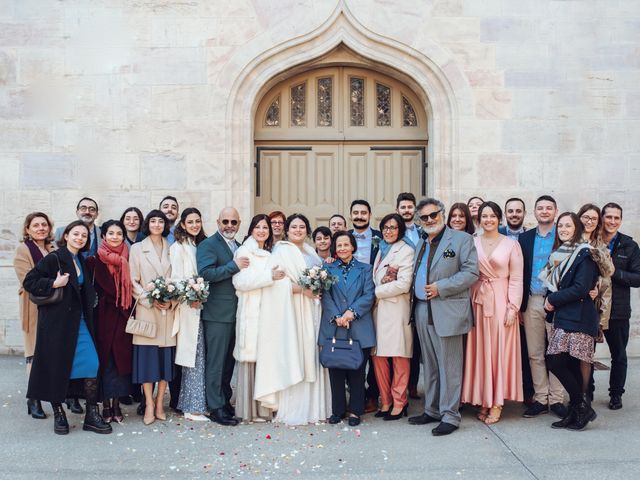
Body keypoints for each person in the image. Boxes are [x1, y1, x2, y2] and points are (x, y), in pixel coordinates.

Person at [24, 221, 112, 435]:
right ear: (66, 236)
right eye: (76, 234)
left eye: (83, 235)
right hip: (57, 325)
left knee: (92, 363)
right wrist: (53, 284)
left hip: (80, 322)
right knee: (57, 367)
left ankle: (91, 416)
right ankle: (59, 415)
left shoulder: (81, 259)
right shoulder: (54, 258)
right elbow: (29, 281)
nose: (80, 238)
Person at [408, 198, 478, 436]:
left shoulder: (461, 239)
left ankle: (451, 415)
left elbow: (471, 273)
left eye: (433, 215)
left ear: (442, 213)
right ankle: (432, 409)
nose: (429, 220)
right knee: (430, 364)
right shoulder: (421, 242)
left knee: (449, 366)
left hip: (448, 309)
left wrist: (442, 287)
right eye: (424, 217)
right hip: (422, 310)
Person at [461, 202, 524, 425]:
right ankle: (484, 399)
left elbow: (516, 279)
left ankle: (497, 402)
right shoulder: (472, 242)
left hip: (500, 302)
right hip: (477, 301)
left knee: (498, 351)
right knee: (480, 351)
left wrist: (512, 308)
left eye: (493, 216)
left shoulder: (511, 245)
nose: (488, 220)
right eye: (484, 216)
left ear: (499, 219)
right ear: (479, 219)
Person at [266, 214, 332, 425]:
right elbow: (276, 282)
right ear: (286, 229)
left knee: (313, 350)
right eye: (294, 226)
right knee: (298, 350)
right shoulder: (281, 250)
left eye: (302, 226)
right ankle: (296, 407)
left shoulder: (312, 251)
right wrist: (304, 291)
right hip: (294, 308)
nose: (298, 230)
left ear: (307, 230)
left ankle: (315, 407)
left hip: (314, 309)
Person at [542, 213, 600, 430]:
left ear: (576, 228)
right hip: (564, 316)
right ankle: (577, 410)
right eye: (561, 226)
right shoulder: (559, 254)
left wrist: (552, 300)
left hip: (579, 317)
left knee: (558, 361)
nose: (563, 229)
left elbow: (581, 287)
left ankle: (582, 408)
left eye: (568, 225)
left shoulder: (584, 254)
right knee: (560, 362)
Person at [197, 207, 248, 426]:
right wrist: (233, 266)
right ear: (218, 222)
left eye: (233, 222)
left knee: (228, 363)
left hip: (236, 312)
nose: (229, 225)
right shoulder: (208, 245)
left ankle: (224, 401)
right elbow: (206, 273)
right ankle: (215, 406)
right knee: (216, 363)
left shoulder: (238, 246)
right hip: (217, 314)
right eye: (225, 221)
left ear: (239, 223)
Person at [232, 214, 285, 422]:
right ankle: (250, 410)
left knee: (266, 359)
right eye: (258, 227)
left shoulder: (270, 251)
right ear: (251, 229)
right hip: (251, 311)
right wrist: (268, 277)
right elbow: (240, 281)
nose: (262, 230)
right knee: (251, 359)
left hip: (268, 311)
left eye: (265, 227)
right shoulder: (245, 251)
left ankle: (265, 408)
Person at [320, 230, 376, 427]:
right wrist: (336, 316)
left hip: (358, 325)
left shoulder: (365, 269)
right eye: (339, 245)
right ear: (335, 248)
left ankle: (355, 411)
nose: (342, 248)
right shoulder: (327, 269)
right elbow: (325, 296)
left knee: (357, 372)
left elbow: (369, 294)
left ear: (353, 246)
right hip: (335, 326)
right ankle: (338, 411)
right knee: (335, 370)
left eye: (346, 244)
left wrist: (352, 312)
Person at [518, 195, 567, 419]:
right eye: (540, 208)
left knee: (556, 352)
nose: (544, 211)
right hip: (531, 301)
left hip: (556, 302)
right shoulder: (525, 238)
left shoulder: (564, 236)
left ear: (555, 211)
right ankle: (540, 397)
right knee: (535, 353)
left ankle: (557, 399)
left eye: (549, 208)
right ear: (534, 212)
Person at [129, 210, 176, 426]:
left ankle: (159, 403)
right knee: (148, 362)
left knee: (165, 362)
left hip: (167, 310)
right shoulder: (138, 249)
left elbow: (178, 279)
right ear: (148, 224)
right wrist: (150, 298)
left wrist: (171, 299)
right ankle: (148, 402)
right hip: (148, 310)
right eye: (153, 221)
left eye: (161, 221)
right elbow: (132, 281)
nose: (157, 224)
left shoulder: (172, 247)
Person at [87, 220, 134, 424]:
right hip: (103, 319)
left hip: (123, 317)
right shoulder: (93, 261)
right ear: (103, 236)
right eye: (111, 233)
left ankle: (116, 405)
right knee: (105, 363)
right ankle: (106, 405)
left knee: (120, 362)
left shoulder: (129, 258)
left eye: (119, 233)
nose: (115, 237)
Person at [371, 214, 415, 420]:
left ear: (400, 230)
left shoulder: (406, 251)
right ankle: (385, 401)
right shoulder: (381, 250)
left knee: (399, 357)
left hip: (396, 311)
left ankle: (400, 402)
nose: (388, 231)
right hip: (379, 312)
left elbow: (404, 284)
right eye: (385, 227)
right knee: (378, 357)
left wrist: (377, 292)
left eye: (393, 227)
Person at [13, 212, 56, 419]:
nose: (41, 228)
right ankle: (34, 399)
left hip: (54, 306)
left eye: (44, 225)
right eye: (36, 225)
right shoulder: (24, 250)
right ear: (28, 229)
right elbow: (27, 278)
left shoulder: (52, 248)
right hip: (34, 306)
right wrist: (54, 282)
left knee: (50, 354)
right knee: (34, 354)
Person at [600, 202, 640, 410]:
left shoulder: (629, 245)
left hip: (618, 310)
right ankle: (586, 392)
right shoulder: (592, 241)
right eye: (609, 217)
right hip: (593, 309)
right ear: (602, 218)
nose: (612, 221)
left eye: (616, 218)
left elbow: (638, 278)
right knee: (585, 354)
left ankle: (616, 394)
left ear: (620, 220)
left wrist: (616, 273)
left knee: (619, 355)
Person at [170, 208, 208, 422]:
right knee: (193, 356)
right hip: (189, 306)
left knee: (201, 356)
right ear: (182, 224)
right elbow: (175, 279)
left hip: (203, 305)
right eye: (190, 222)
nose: (195, 225)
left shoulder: (200, 244)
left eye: (198, 221)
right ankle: (191, 407)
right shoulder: (179, 247)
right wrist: (191, 292)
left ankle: (196, 403)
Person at [349, 199, 382, 412]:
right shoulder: (342, 238)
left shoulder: (381, 237)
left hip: (377, 299)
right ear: (350, 215)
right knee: (353, 348)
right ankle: (355, 393)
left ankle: (373, 394)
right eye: (356, 212)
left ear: (370, 215)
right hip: (350, 301)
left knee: (375, 349)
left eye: (363, 212)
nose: (359, 216)